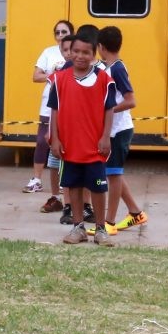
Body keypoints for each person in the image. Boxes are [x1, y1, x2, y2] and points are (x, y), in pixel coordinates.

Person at [47, 32, 116, 246]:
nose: (80, 56)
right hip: (69, 146)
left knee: (97, 186)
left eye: (85, 52)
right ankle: (78, 227)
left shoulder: (104, 78)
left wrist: (106, 136)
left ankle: (101, 229)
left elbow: (109, 109)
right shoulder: (59, 79)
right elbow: (54, 111)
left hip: (95, 147)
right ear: (69, 52)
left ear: (93, 54)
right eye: (75, 51)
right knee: (73, 186)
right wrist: (55, 139)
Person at [87, 25, 148, 235]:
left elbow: (131, 101)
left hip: (119, 131)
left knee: (112, 176)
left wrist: (108, 110)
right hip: (112, 130)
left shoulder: (118, 68)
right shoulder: (107, 67)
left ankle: (109, 222)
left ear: (101, 47)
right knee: (114, 174)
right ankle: (135, 212)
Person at [22, 20, 73, 194]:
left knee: (65, 143)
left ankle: (63, 179)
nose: (60, 36)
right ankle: (36, 179)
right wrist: (54, 75)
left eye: (64, 32)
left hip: (68, 107)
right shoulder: (48, 52)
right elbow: (36, 76)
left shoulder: (76, 54)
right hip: (48, 104)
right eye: (57, 32)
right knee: (42, 141)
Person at [41, 33, 74, 215]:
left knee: (71, 165)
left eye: (72, 49)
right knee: (54, 163)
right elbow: (54, 107)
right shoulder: (58, 75)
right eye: (65, 50)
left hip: (73, 131)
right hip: (57, 128)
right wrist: (50, 131)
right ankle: (56, 197)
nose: (69, 53)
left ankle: (78, 203)